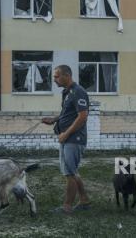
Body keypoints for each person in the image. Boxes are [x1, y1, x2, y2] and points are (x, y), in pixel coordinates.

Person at [42, 64, 91, 214]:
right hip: (67, 138)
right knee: (72, 171)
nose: (54, 79)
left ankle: (67, 207)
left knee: (70, 173)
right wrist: (54, 119)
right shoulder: (67, 92)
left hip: (73, 139)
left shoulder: (78, 92)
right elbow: (68, 113)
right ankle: (84, 201)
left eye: (57, 76)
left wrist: (66, 134)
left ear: (66, 76)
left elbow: (82, 117)